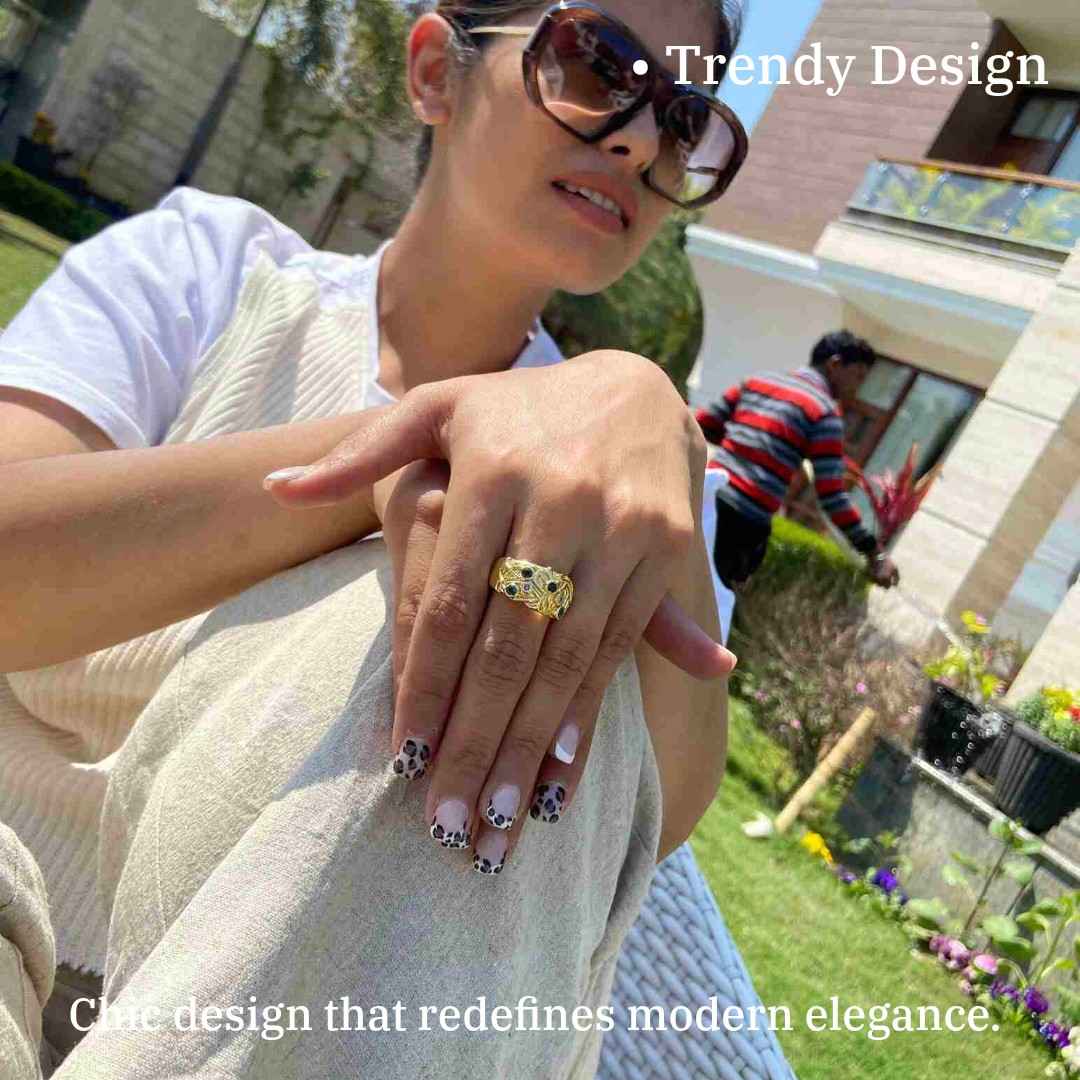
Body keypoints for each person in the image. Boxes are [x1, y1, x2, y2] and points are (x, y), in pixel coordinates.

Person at [0, 1, 748, 1076]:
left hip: (329, 1015)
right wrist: (397, 460)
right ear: (438, 70)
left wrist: (636, 404)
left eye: (682, 118)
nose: (639, 142)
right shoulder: (204, 272)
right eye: (598, 62)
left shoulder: (634, 468)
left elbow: (648, 816)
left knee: (531, 591)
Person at [694, 330, 901, 630]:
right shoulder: (823, 412)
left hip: (701, 499)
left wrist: (744, 448)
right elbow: (831, 496)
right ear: (834, 364)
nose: (857, 388)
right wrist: (873, 551)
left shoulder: (757, 382)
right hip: (741, 524)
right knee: (704, 619)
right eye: (857, 376)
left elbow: (703, 425)